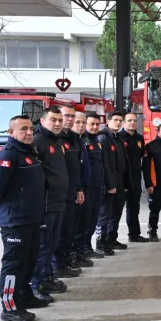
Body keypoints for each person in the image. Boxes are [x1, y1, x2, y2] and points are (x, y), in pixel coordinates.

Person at [0, 115, 47, 321]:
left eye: (31, 128)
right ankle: (10, 307)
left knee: (29, 261)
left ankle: (24, 295)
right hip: (16, 221)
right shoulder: (8, 155)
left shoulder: (30, 153)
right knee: (14, 264)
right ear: (11, 132)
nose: (29, 132)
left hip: (32, 218)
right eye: (23, 129)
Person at [30, 107, 69, 300]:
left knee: (51, 244)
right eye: (53, 119)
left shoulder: (56, 141)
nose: (58, 123)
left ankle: (46, 277)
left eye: (60, 120)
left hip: (58, 201)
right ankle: (36, 285)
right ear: (42, 121)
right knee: (42, 245)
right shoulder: (38, 141)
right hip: (46, 204)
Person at [52, 105, 85, 278]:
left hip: (72, 191)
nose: (69, 120)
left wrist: (78, 188)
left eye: (72, 116)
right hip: (59, 195)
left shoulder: (73, 138)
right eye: (66, 116)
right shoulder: (54, 140)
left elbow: (75, 168)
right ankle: (57, 265)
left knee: (69, 231)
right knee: (60, 232)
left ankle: (64, 261)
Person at [96, 111, 130, 254]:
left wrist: (126, 184)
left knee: (116, 214)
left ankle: (111, 239)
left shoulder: (118, 138)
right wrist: (110, 185)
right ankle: (101, 243)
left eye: (120, 120)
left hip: (120, 184)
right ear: (108, 121)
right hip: (110, 185)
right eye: (115, 120)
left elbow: (125, 163)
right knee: (104, 215)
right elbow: (105, 164)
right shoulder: (103, 138)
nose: (118, 122)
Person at [74, 112, 105, 260]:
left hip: (97, 186)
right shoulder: (82, 141)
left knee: (93, 219)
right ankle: (82, 249)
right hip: (86, 187)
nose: (94, 127)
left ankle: (87, 247)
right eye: (91, 124)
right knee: (84, 221)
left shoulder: (97, 141)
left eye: (97, 124)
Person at [68, 111, 94, 268]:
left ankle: (79, 253)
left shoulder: (81, 140)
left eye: (83, 123)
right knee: (73, 226)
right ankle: (70, 257)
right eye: (78, 122)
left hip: (86, 187)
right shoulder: (69, 141)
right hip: (74, 189)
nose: (81, 125)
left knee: (84, 223)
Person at [120, 113, 148, 243]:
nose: (132, 123)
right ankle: (109, 238)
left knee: (134, 208)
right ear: (124, 123)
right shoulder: (119, 137)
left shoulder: (139, 138)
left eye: (134, 121)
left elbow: (142, 157)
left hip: (136, 179)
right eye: (129, 120)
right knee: (116, 211)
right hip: (121, 179)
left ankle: (134, 234)